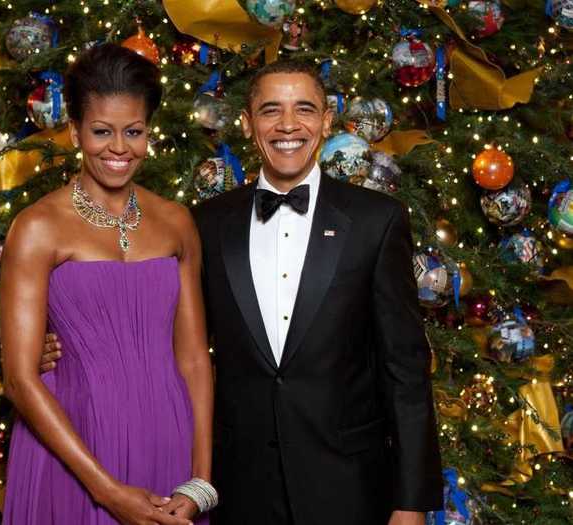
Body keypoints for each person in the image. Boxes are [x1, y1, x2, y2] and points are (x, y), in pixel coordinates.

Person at [43, 60, 442, 524]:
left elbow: (406, 374)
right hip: (242, 489)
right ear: (248, 124)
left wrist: (411, 503)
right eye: (271, 110)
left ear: (327, 122)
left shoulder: (378, 220)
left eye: (305, 109)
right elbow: (163, 334)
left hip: (351, 486)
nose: (288, 125)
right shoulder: (207, 224)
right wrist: (47, 351)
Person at [0, 44, 214, 525]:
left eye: (133, 131)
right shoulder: (37, 227)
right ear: (75, 131)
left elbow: (195, 358)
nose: (119, 148)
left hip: (168, 436)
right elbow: (19, 377)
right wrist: (107, 491)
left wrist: (200, 480)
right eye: (102, 131)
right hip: (75, 448)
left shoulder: (176, 222)